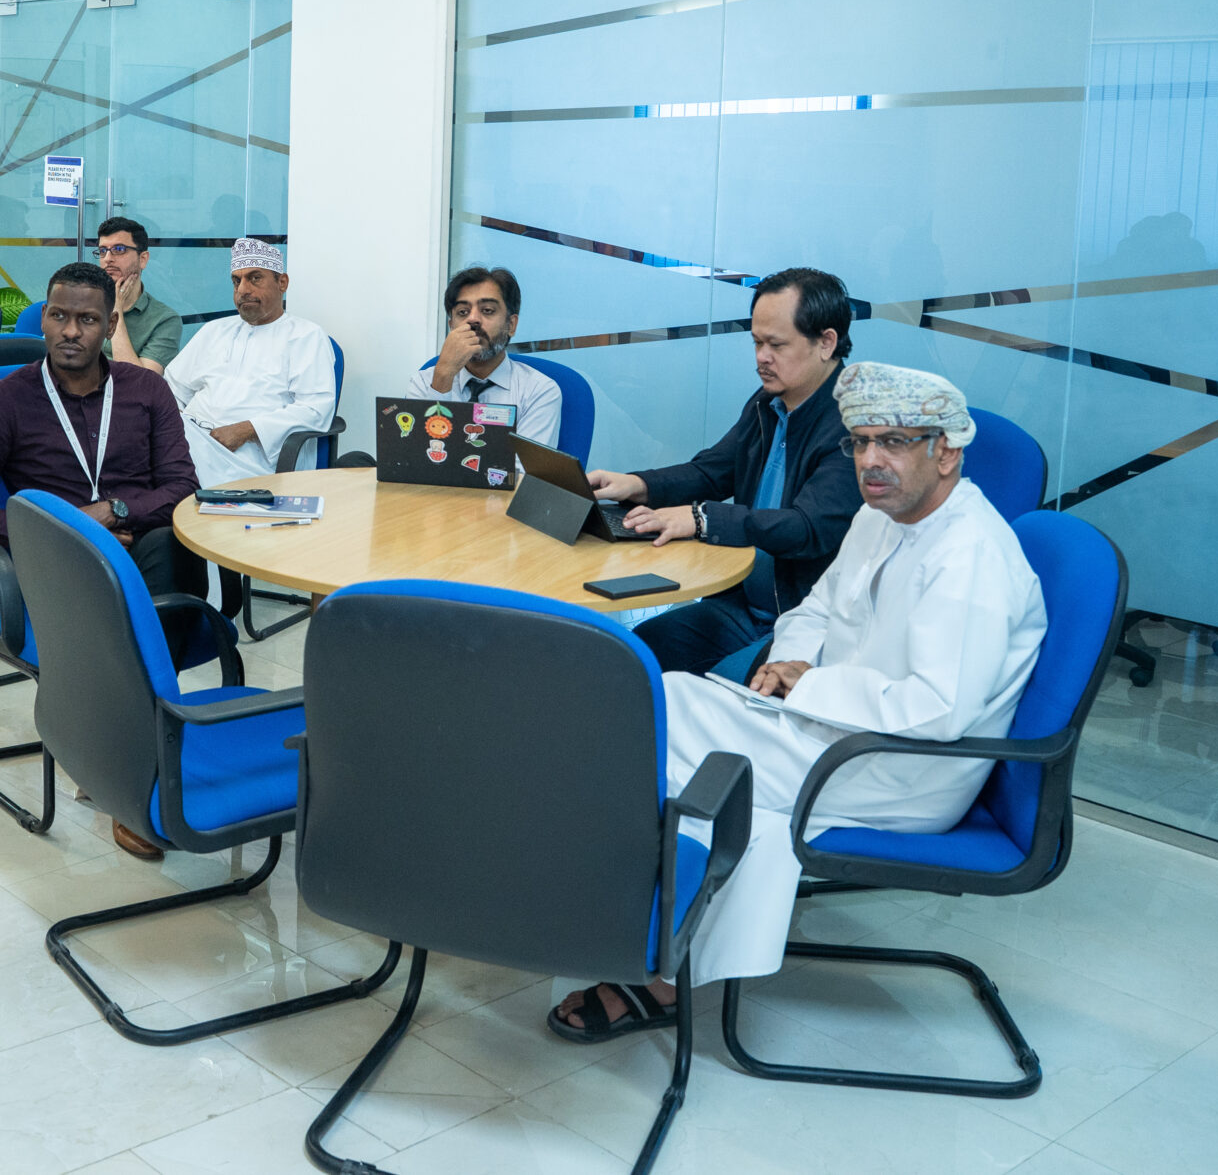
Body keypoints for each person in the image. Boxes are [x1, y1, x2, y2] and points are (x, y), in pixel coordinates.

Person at [547, 364, 1045, 1040]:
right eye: (860, 441)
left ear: (946, 452)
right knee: (660, 702)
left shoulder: (971, 556)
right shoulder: (883, 514)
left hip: (901, 765)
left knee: (660, 743)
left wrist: (806, 684)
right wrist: (791, 662)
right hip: (833, 725)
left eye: (894, 442)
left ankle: (648, 961)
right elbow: (817, 608)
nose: (871, 460)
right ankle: (640, 933)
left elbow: (937, 710)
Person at [0, 261, 230, 860]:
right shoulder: (6, 400)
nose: (71, 331)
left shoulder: (146, 391)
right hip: (55, 564)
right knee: (123, 604)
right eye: (59, 316)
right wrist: (68, 529)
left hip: (141, 550)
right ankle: (133, 781)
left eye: (88, 320)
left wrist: (114, 510)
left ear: (111, 324)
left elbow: (181, 487)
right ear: (44, 318)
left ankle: (120, 755)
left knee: (170, 550)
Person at [588, 267, 863, 675]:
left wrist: (703, 519)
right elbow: (712, 471)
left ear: (826, 342)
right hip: (740, 606)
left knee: (711, 686)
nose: (761, 357)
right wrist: (637, 484)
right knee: (634, 656)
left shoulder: (857, 425)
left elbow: (806, 527)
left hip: (804, 623)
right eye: (756, 342)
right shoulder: (768, 402)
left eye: (776, 344)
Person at [162, 238, 337, 486]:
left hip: (250, 459)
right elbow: (170, 389)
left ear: (282, 283)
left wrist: (246, 429)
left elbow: (315, 410)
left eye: (255, 278)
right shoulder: (214, 330)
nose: (243, 290)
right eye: (236, 281)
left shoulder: (306, 336)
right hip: (193, 441)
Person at [401, 265, 561, 451]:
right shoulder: (423, 383)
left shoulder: (538, 391)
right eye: (463, 312)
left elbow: (524, 467)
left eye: (487, 310)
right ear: (452, 327)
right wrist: (443, 378)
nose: (473, 319)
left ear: (511, 325)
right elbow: (417, 458)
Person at [95, 216, 181, 369]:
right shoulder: (83, 302)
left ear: (143, 259)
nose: (108, 258)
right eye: (103, 251)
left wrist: (116, 310)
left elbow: (140, 381)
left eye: (119, 249)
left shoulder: (165, 320)